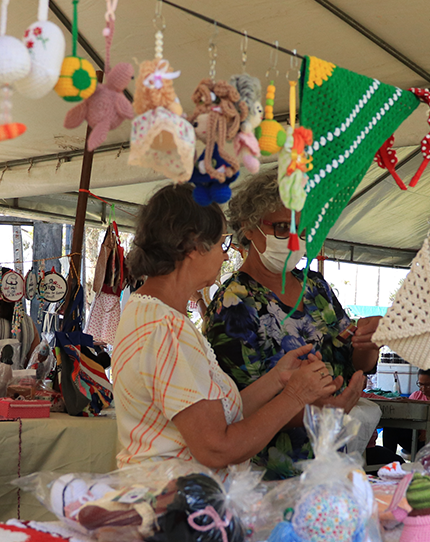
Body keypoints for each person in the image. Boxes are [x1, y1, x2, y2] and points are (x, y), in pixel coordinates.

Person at [114, 184, 348, 471]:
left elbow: (221, 414)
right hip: (175, 501)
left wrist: (278, 378)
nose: (226, 256)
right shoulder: (165, 328)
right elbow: (216, 447)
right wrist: (294, 397)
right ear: (192, 245)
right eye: (222, 243)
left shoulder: (151, 313)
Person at [205, 170, 373, 472]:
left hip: (330, 464)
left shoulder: (316, 288)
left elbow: (353, 361)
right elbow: (241, 406)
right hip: (267, 475)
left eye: (303, 229)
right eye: (283, 227)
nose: (295, 240)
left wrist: (370, 342)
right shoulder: (234, 304)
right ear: (249, 226)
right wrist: (319, 409)